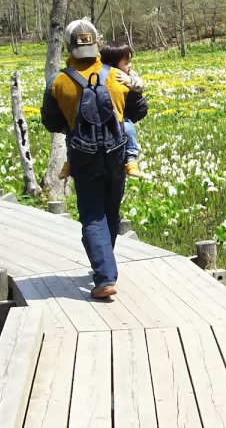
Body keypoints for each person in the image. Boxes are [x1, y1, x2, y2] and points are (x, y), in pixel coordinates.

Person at [40, 19, 148, 300]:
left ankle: (104, 276)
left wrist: (73, 120)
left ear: (68, 46)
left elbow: (51, 123)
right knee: (110, 213)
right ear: (96, 44)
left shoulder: (58, 82)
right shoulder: (116, 76)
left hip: (83, 157)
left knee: (92, 215)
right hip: (116, 155)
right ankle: (105, 268)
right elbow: (137, 112)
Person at [99, 41, 146, 178]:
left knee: (128, 128)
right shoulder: (103, 74)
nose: (129, 65)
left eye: (129, 61)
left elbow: (141, 86)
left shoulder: (129, 74)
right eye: (126, 63)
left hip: (123, 112)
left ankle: (131, 157)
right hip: (107, 111)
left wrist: (129, 81)